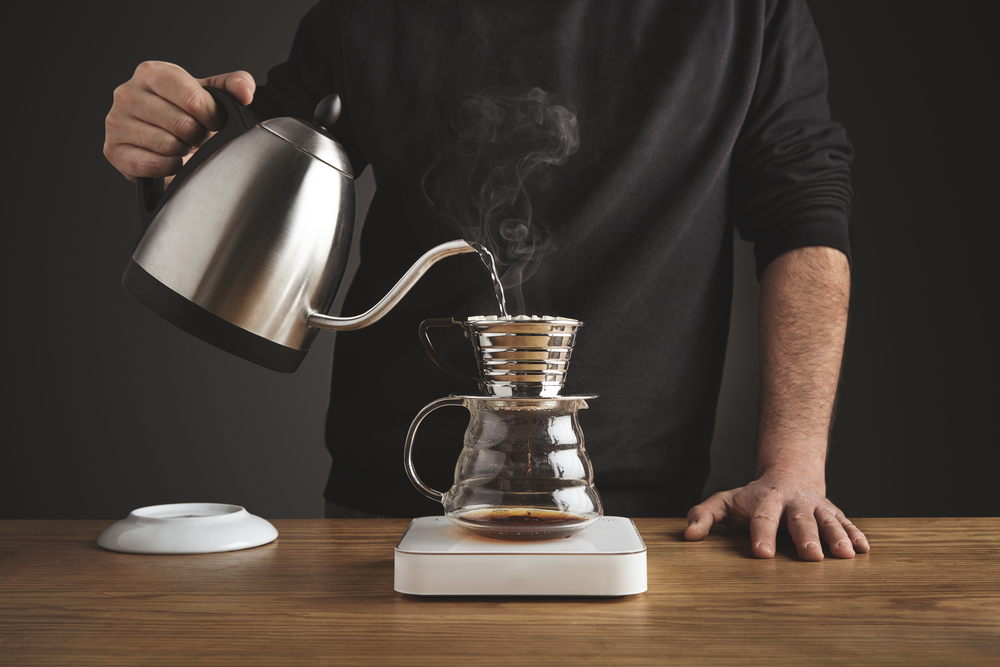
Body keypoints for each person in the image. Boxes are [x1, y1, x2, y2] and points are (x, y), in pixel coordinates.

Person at [104, 0, 870, 561]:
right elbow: (257, 160)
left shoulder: (746, 13)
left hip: (646, 518)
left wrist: (794, 465)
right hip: (386, 513)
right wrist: (171, 140)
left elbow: (803, 214)